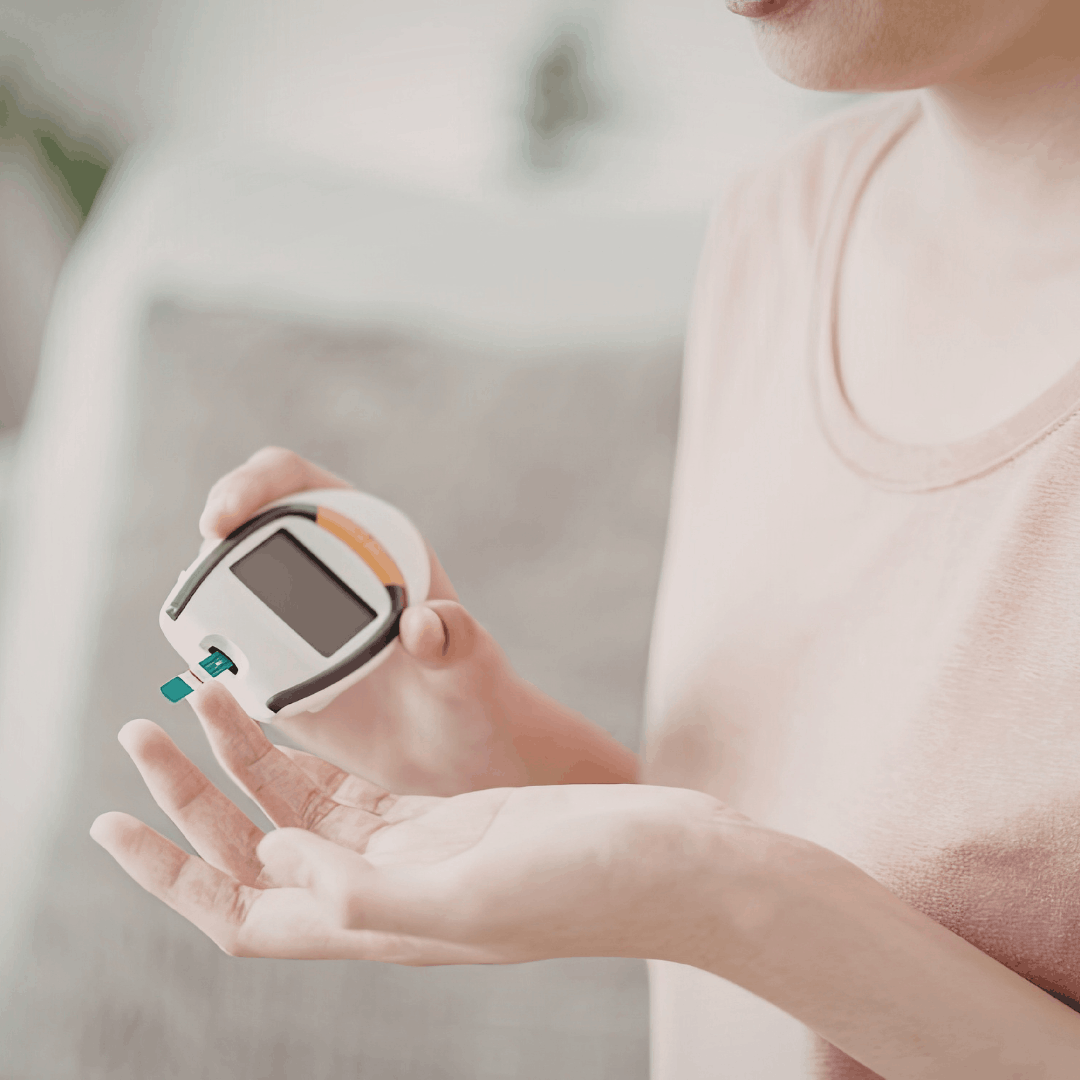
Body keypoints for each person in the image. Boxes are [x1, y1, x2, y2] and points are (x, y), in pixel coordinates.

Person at [91, 0, 1080, 1075]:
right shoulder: (783, 220)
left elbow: (756, 894)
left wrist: (727, 899)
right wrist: (502, 766)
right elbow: (779, 851)